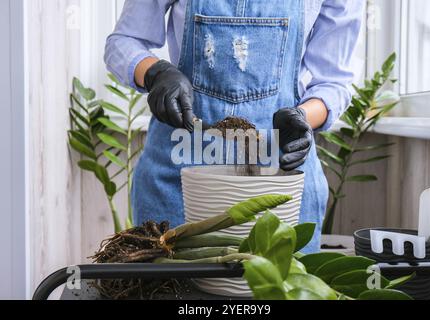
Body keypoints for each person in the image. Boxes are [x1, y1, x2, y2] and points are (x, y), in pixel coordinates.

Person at [105, 0, 364, 253]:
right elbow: (124, 41)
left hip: (280, 179)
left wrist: (302, 117)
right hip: (176, 177)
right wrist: (156, 73)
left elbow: (333, 81)